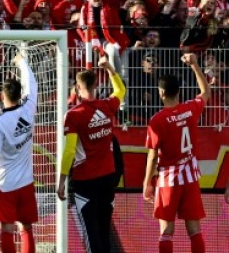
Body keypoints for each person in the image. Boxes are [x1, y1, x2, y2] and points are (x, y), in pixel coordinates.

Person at [56, 56, 126, 253]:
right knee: (104, 229)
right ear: (96, 84)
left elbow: (69, 150)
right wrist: (110, 69)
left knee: (91, 232)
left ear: (77, 88)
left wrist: (61, 180)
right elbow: (121, 91)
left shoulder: (74, 115)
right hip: (107, 177)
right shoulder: (107, 106)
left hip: (86, 180)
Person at [143, 53, 210, 253]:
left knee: (166, 232)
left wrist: (147, 182)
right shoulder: (190, 109)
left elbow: (153, 156)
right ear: (179, 92)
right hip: (190, 176)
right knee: (194, 230)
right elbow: (206, 92)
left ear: (161, 93)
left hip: (169, 179)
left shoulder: (157, 120)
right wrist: (195, 65)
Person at [0, 54, 38, 253]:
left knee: (6, 228)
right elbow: (32, 83)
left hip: (5, 184)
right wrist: (22, 62)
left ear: (2, 96)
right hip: (26, 181)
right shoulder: (29, 108)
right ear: (19, 94)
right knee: (26, 226)